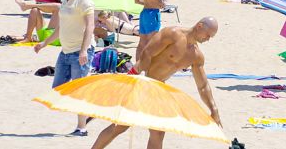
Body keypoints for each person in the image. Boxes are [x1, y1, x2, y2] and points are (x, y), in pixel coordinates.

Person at [91, 17, 221, 148]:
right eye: (208, 34)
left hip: (158, 89)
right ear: (199, 26)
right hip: (142, 80)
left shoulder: (196, 56)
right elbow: (147, 52)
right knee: (119, 126)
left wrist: (213, 109)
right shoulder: (173, 34)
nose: (208, 38)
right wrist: (139, 77)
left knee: (158, 133)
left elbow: (202, 86)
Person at [35, 0, 94, 137]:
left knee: (78, 90)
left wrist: (83, 51)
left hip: (80, 52)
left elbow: (90, 26)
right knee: (58, 88)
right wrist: (44, 43)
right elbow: (60, 27)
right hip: (66, 51)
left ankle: (82, 128)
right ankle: (86, 109)